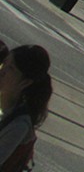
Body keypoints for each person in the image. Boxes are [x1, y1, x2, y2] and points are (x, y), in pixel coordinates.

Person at [0, 44, 52, 172]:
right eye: (4, 63)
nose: (2, 71)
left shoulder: (19, 125)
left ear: (25, 82)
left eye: (10, 68)